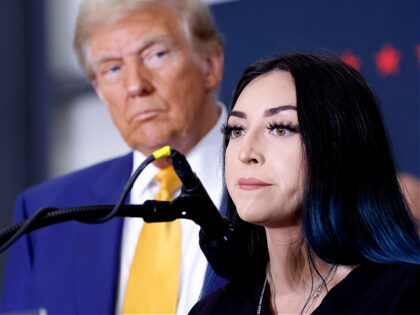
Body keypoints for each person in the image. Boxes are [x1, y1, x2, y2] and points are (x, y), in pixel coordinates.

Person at [1, 0, 226, 314]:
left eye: (156, 55)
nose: (135, 85)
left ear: (210, 65)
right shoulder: (44, 216)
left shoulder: (288, 187)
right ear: (100, 90)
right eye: (113, 68)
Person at [190, 53, 420, 314]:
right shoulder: (213, 309)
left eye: (280, 128)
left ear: (340, 146)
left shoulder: (404, 295)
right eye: (236, 130)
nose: (245, 152)